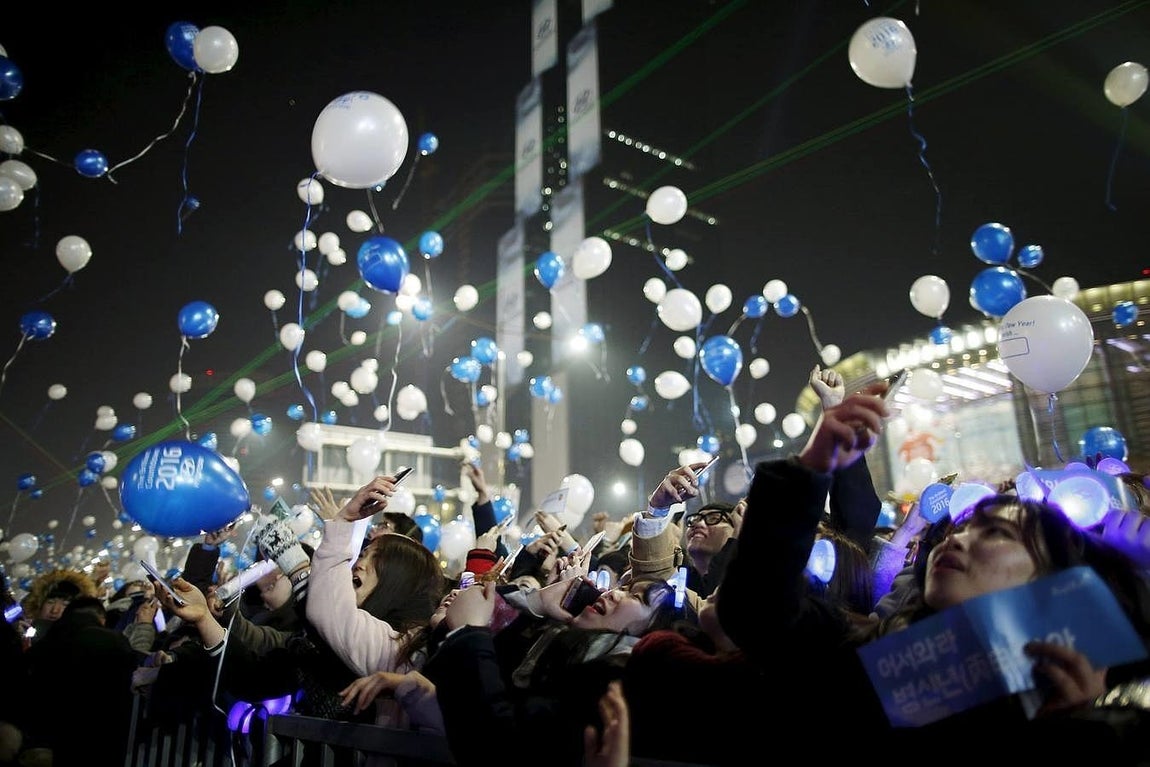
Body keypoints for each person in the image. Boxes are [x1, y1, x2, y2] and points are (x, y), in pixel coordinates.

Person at [716, 385, 1150, 762]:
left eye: (996, 532)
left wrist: (1079, 730)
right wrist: (810, 467)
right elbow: (756, 611)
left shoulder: (1099, 707)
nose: (956, 540)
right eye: (961, 528)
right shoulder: (870, 647)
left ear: (1055, 582)